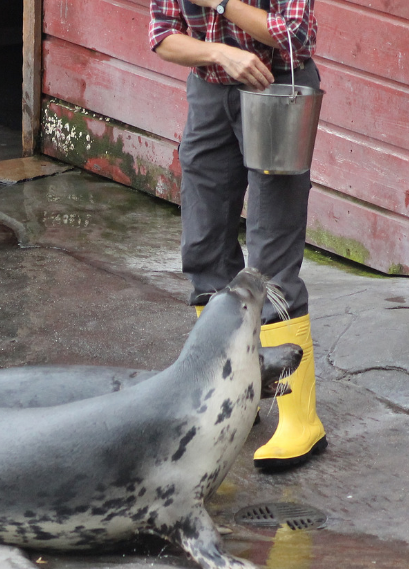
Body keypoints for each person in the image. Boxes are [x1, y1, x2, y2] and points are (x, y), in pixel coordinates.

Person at [149, 0, 327, 469]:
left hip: (277, 89)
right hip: (210, 92)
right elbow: (163, 34)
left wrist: (223, 4)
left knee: (271, 261)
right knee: (204, 248)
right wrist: (217, 53)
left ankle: (299, 420)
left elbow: (296, 33)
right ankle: (229, 398)